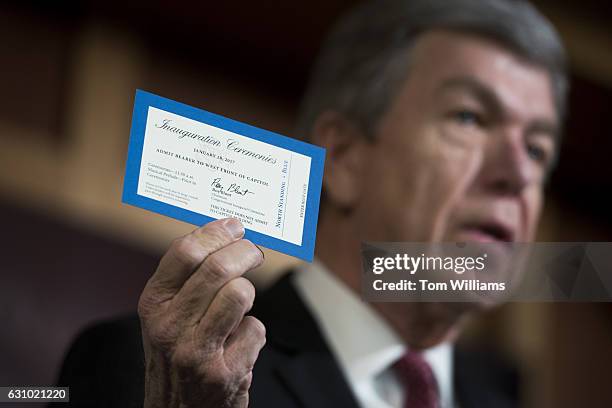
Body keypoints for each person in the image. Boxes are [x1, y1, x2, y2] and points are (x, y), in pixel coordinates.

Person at [53, 0, 568, 407]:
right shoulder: (155, 371)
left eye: (538, 148)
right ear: (342, 156)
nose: (519, 172)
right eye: (470, 118)